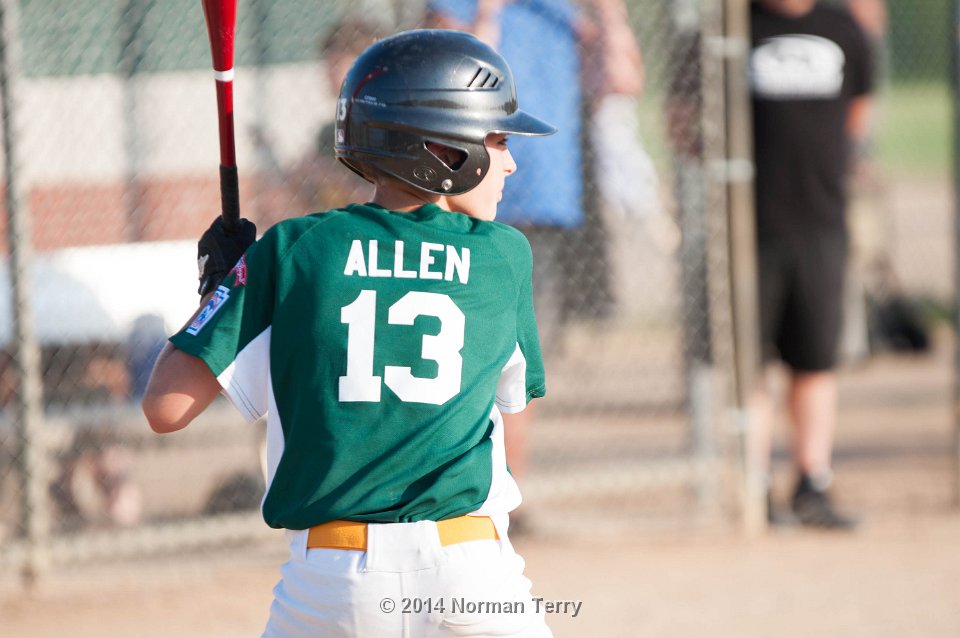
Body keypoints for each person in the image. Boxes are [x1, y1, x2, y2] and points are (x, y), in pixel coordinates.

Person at [143, 29, 556, 637]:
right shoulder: (504, 256)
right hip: (471, 577)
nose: (512, 162)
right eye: (498, 141)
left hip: (333, 586)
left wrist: (222, 287)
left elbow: (165, 407)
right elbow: (507, 400)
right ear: (445, 151)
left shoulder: (293, 248)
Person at [425, 0, 584, 521]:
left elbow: (621, 78)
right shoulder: (460, 7)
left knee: (515, 363)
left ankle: (505, 493)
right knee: (452, 353)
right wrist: (488, 14)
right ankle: (447, 487)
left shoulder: (558, 9)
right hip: (459, 203)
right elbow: (453, 88)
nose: (509, 157)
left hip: (543, 206)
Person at [748, 0, 875, 529]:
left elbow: (859, 112)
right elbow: (687, 119)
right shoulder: (738, 25)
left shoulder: (842, 28)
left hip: (821, 222)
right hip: (748, 230)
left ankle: (812, 481)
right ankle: (753, 487)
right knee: (751, 363)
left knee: (815, 359)